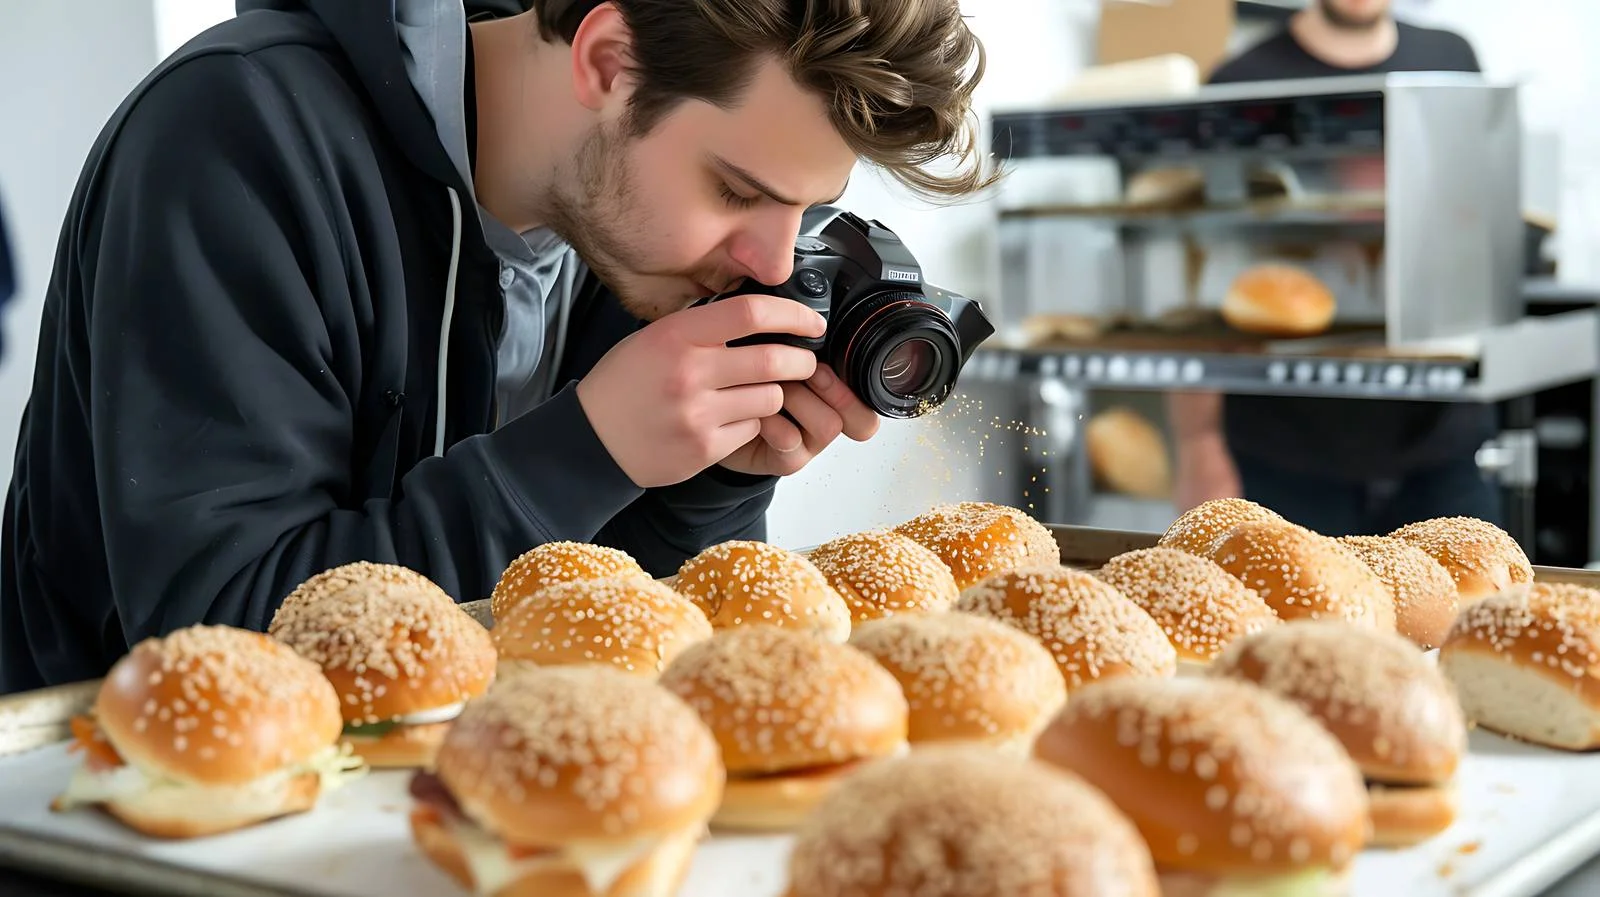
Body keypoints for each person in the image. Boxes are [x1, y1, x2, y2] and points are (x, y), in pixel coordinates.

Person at [0, 0, 993, 693]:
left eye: (806, 210)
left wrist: (711, 480)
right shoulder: (236, 131)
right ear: (608, 62)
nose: (770, 259)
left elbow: (609, 649)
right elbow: (218, 644)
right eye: (736, 191)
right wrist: (585, 451)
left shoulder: (635, 241)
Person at [1168, 0, 1499, 537]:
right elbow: (1205, 269)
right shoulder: (1243, 80)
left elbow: (1474, 217)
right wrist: (1198, 442)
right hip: (1286, 459)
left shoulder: (1450, 59)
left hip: (1440, 451)